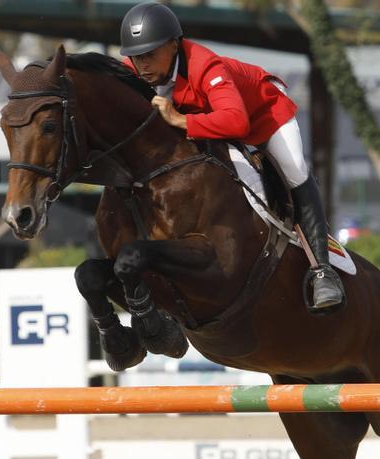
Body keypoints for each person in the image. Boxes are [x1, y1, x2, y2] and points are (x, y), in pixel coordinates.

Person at [118, 2, 345, 312]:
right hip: (214, 125)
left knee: (294, 170)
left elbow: (237, 122)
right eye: (136, 56)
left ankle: (323, 272)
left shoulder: (205, 66)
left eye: (149, 55)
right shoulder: (137, 70)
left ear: (173, 45)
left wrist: (181, 121)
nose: (141, 64)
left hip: (264, 115)